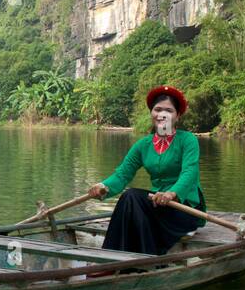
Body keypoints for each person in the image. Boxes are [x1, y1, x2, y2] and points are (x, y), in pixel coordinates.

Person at [83, 84, 208, 255]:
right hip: (158, 204)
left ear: (177, 116)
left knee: (132, 196)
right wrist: (103, 187)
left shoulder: (188, 140)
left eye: (169, 111)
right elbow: (122, 174)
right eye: (157, 109)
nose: (162, 114)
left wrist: (172, 193)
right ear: (151, 113)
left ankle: (122, 257)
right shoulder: (143, 145)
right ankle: (121, 258)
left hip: (185, 209)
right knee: (131, 201)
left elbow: (189, 173)